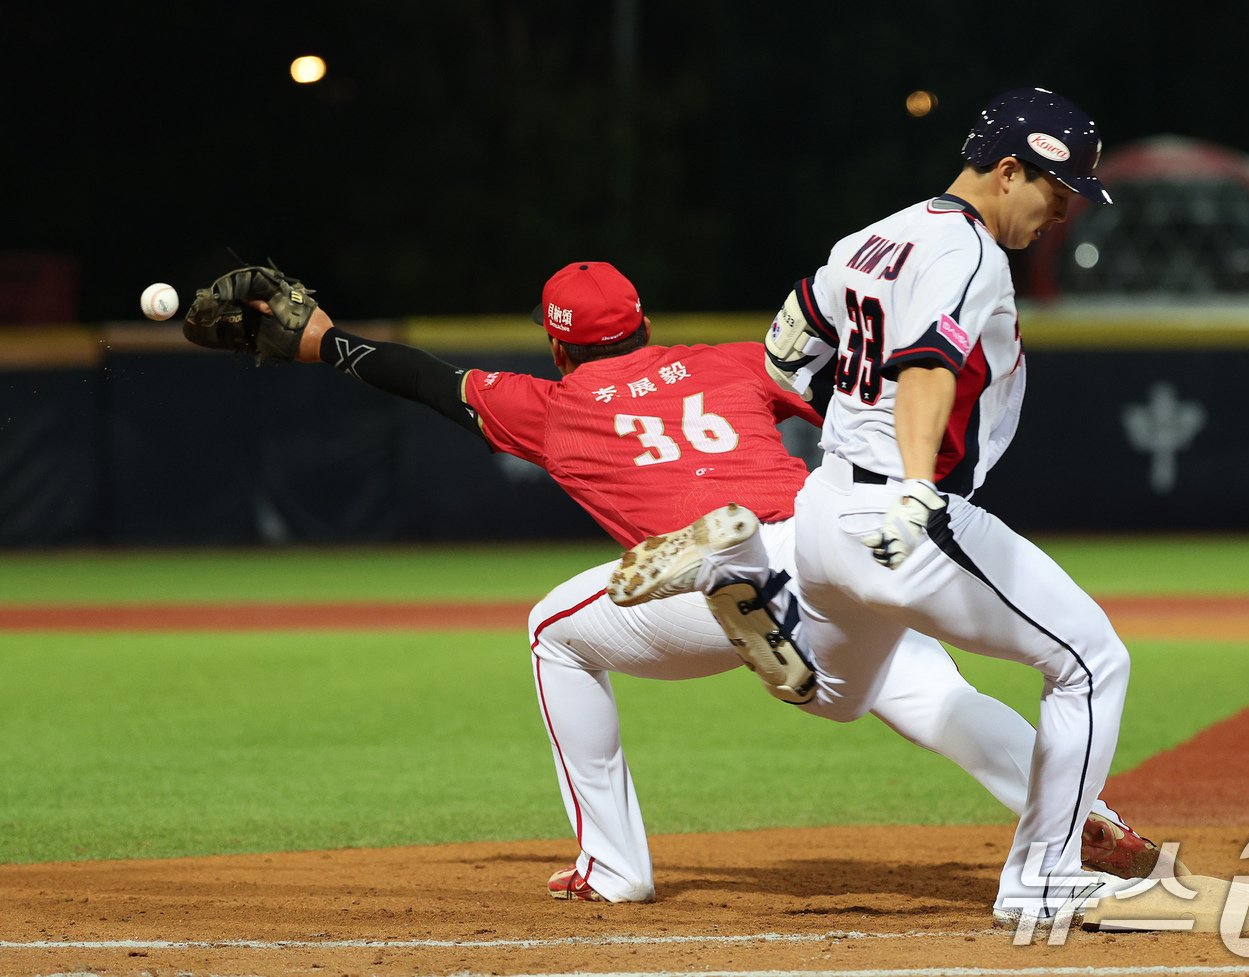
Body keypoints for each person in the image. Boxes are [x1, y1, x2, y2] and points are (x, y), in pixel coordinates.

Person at [221, 257, 1161, 906]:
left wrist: (324, 340)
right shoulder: (731, 363)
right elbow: (841, 396)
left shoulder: (551, 405)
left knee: (553, 632)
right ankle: (1087, 817)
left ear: (559, 348)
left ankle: (614, 863)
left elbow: (424, 378)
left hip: (711, 598)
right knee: (931, 693)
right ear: (644, 325)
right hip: (825, 546)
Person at [615, 88, 1147, 928]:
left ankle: (746, 575)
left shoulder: (871, 238)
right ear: (1010, 170)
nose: (1062, 211)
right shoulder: (970, 253)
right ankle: (1042, 877)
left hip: (825, 506)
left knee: (836, 693)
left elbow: (789, 342)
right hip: (902, 515)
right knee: (1091, 660)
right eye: (1057, 189)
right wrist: (914, 485)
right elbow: (929, 366)